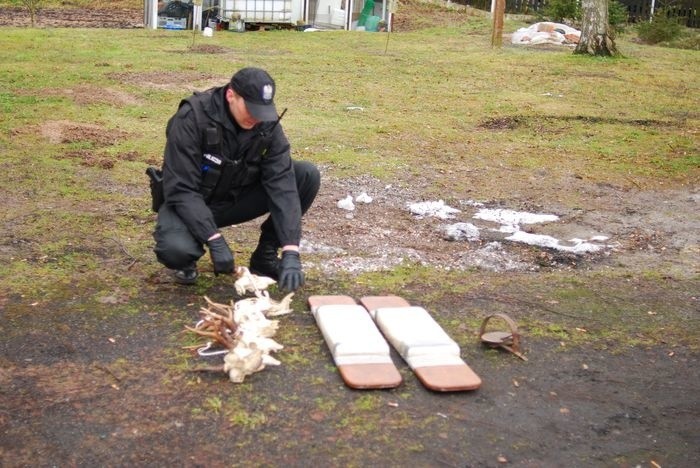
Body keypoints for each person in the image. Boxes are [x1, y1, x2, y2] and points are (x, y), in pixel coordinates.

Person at [151, 67, 320, 291]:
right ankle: (187, 258)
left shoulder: (265, 122)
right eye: (251, 109)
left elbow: (283, 184)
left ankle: (265, 256)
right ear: (231, 95)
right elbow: (181, 188)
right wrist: (214, 239)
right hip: (190, 202)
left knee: (305, 176)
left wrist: (291, 249)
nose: (256, 118)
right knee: (176, 250)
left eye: (262, 111)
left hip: (235, 198)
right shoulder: (193, 117)